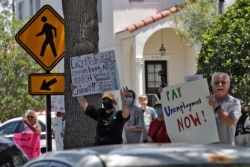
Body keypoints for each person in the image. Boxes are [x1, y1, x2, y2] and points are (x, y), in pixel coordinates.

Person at [207, 72, 241, 145]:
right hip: (206, 150)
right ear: (212, 86)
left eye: (223, 82)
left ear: (228, 85)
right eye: (216, 83)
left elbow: (230, 122)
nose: (220, 85)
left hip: (226, 151)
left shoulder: (234, 102)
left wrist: (216, 107)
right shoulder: (205, 102)